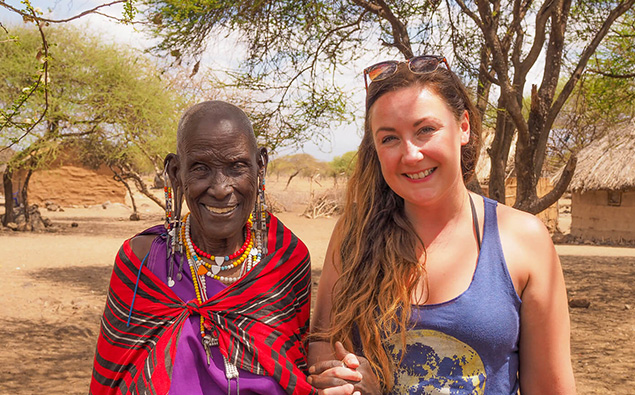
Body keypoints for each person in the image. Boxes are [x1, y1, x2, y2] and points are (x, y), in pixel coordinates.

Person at [307, 56, 576, 394]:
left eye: (425, 130)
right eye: (389, 138)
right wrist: (342, 375)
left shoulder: (524, 239)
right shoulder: (354, 233)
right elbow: (321, 342)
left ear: (463, 126)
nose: (411, 155)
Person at [90, 101, 317, 395]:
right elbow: (111, 379)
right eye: (200, 168)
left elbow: (295, 370)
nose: (221, 188)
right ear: (175, 173)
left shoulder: (286, 258)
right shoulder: (141, 261)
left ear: (260, 166)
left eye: (237, 167)